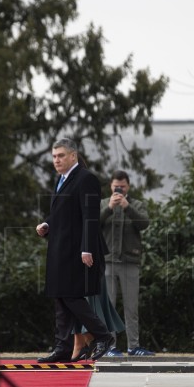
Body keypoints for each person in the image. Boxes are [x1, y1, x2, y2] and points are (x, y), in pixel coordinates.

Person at [35, 138, 115, 364]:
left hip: (78, 249)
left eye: (60, 155)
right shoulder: (61, 179)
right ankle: (63, 347)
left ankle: (102, 335)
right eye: (54, 156)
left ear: (73, 156)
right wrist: (47, 224)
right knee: (60, 297)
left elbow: (90, 216)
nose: (56, 160)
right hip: (61, 247)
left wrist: (87, 248)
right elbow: (63, 213)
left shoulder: (86, 178)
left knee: (71, 296)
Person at [100, 169, 153, 356]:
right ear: (110, 186)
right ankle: (110, 347)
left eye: (122, 186)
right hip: (107, 262)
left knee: (131, 307)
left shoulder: (137, 204)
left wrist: (127, 207)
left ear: (128, 186)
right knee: (109, 306)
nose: (119, 189)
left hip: (130, 262)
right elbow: (93, 223)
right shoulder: (102, 204)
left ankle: (133, 346)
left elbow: (144, 223)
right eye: (116, 186)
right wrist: (109, 208)